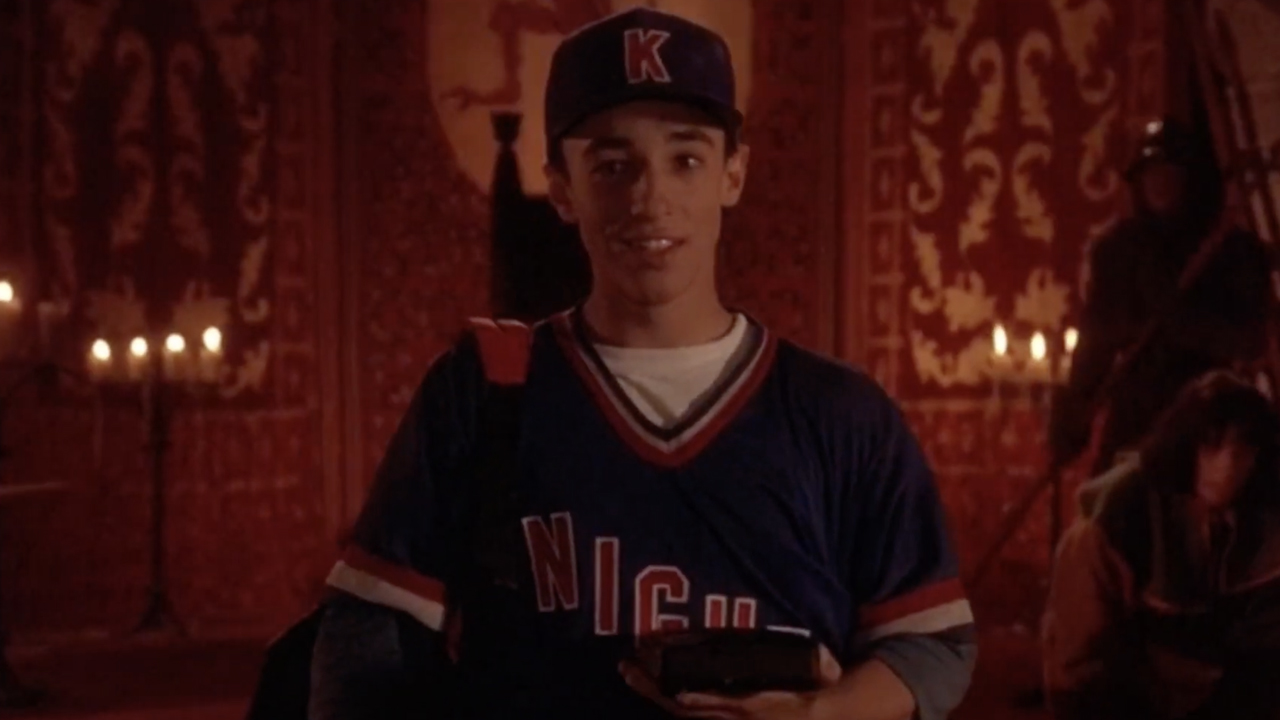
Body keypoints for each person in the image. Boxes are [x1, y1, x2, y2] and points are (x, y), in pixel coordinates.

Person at [309, 8, 975, 720]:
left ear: (734, 173)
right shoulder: (486, 391)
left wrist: (823, 714)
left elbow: (930, 644)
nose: (650, 198)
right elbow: (368, 635)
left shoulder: (843, 415)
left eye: (685, 159)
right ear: (561, 186)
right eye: (612, 164)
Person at [1043, 370, 1280, 720]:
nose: (1228, 464)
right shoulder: (1118, 522)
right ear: (1187, 445)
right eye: (1212, 445)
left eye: (1243, 449)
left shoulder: (1265, 525)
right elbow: (1077, 669)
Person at [1048, 116, 1276, 477]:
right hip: (1135, 417)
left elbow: (1249, 341)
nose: (1160, 183)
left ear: (1191, 178)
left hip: (1209, 420)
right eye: (1151, 172)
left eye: (1170, 171)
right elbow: (1096, 341)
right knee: (1113, 511)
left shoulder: (1232, 252)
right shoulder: (1119, 251)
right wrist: (1076, 408)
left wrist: (1180, 318)